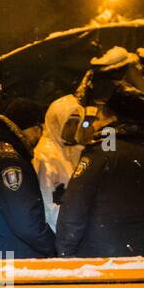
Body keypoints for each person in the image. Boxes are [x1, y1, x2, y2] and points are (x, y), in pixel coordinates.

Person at [57, 87, 144, 257]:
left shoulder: (101, 154)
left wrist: (65, 252)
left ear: (113, 117)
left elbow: (74, 210)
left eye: (101, 116)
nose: (96, 123)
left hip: (98, 260)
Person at [0, 110, 56, 257]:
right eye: (36, 127)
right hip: (16, 258)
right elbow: (25, 222)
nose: (40, 133)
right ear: (20, 130)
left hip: (2, 252)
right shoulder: (9, 162)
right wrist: (52, 246)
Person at [32, 95, 84, 231]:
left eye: (76, 123)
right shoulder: (45, 155)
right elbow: (47, 203)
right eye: (68, 123)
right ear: (56, 122)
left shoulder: (68, 149)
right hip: (58, 229)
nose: (73, 129)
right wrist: (64, 233)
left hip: (70, 224)